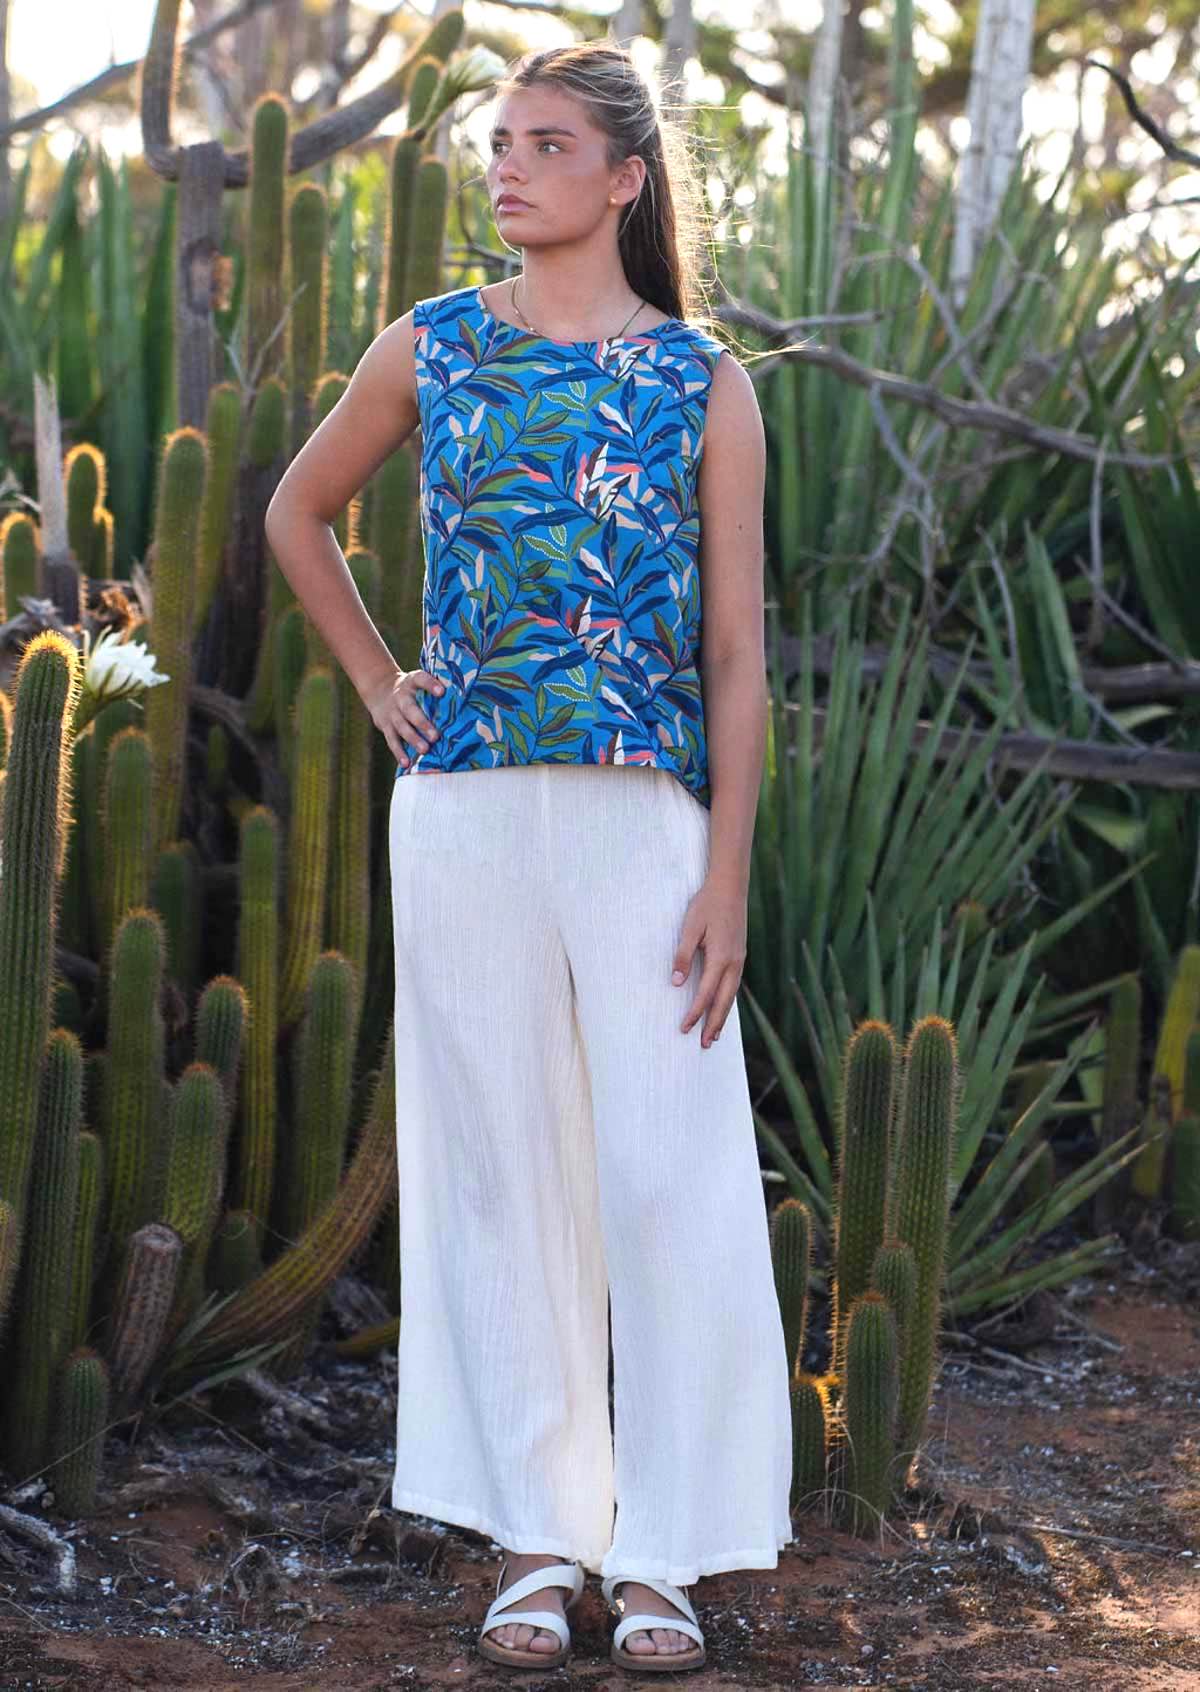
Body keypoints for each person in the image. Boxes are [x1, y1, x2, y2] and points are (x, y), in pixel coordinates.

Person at [265, 37, 793, 1676]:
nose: (506, 169)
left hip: (647, 820)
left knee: (670, 1176)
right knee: (502, 1176)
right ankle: (535, 1541)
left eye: (545, 144)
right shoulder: (433, 348)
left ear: (624, 178)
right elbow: (296, 512)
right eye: (498, 144)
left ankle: (673, 1555)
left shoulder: (701, 377)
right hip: (470, 810)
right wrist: (376, 683)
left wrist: (728, 882)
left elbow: (735, 659)